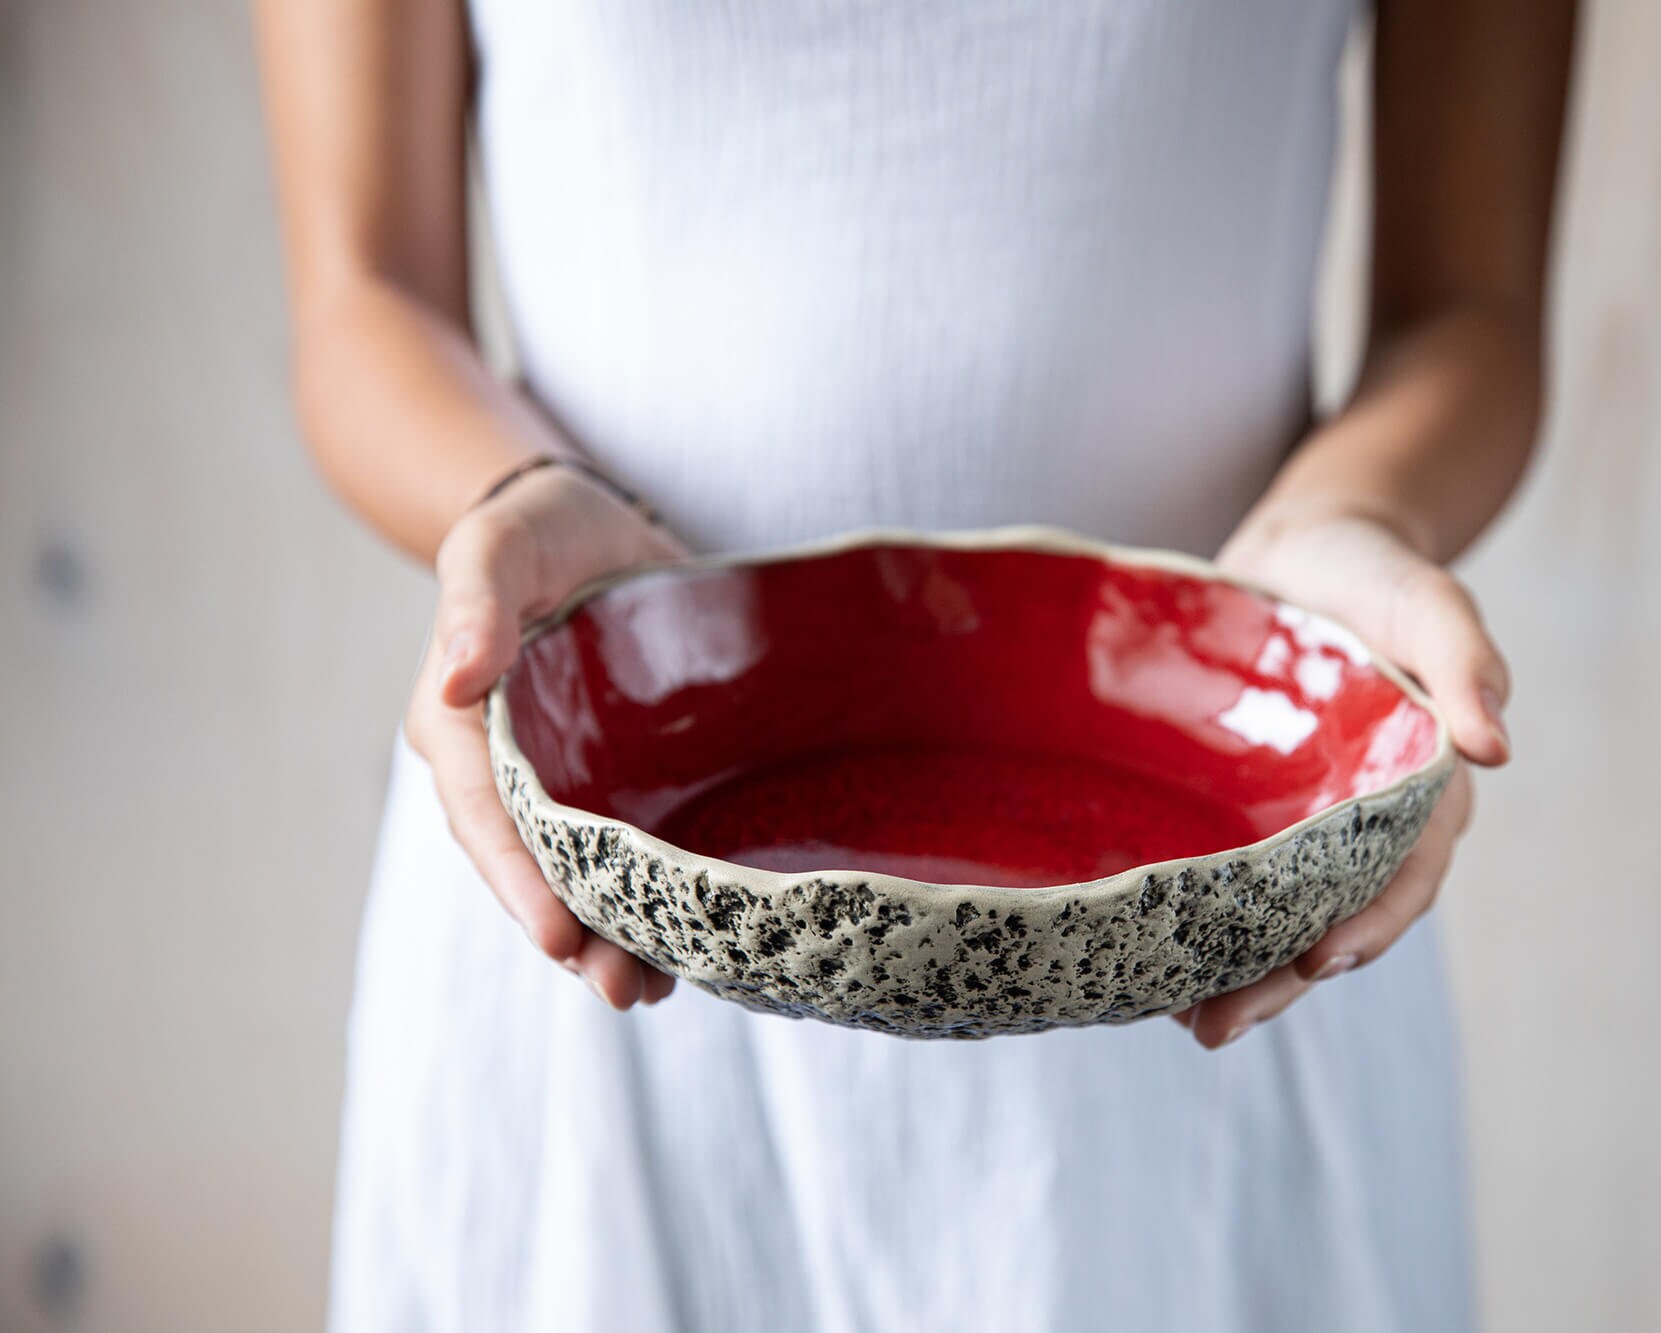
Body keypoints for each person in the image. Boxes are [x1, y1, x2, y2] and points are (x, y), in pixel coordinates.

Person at [255, 1, 1572, 1328]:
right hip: (600, 896)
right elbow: (364, 290)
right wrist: (514, 498)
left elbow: (1468, 311)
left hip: (1240, 926)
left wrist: (1353, 522)